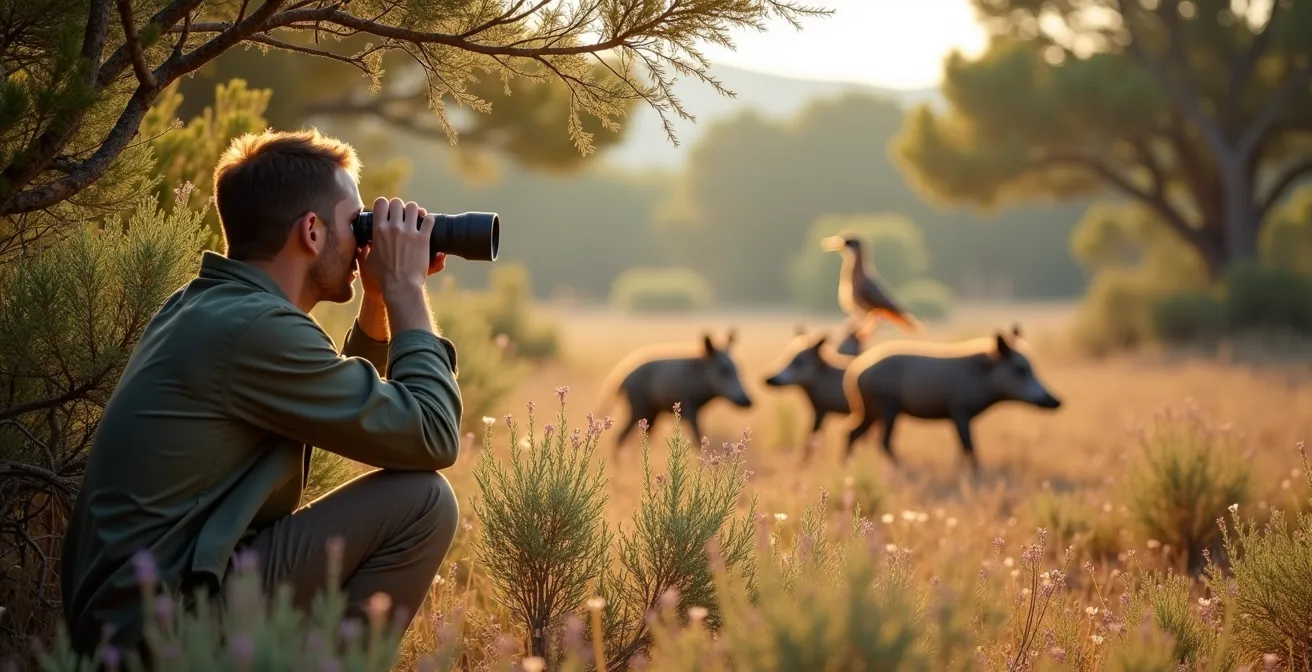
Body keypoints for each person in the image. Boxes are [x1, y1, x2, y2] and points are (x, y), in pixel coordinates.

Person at [59, 128, 465, 658]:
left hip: (136, 620)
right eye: (356, 223)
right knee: (425, 502)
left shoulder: (211, 307)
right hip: (161, 636)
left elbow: (356, 413)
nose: (364, 240)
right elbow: (431, 434)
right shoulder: (254, 329)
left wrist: (378, 301)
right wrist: (405, 287)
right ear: (312, 231)